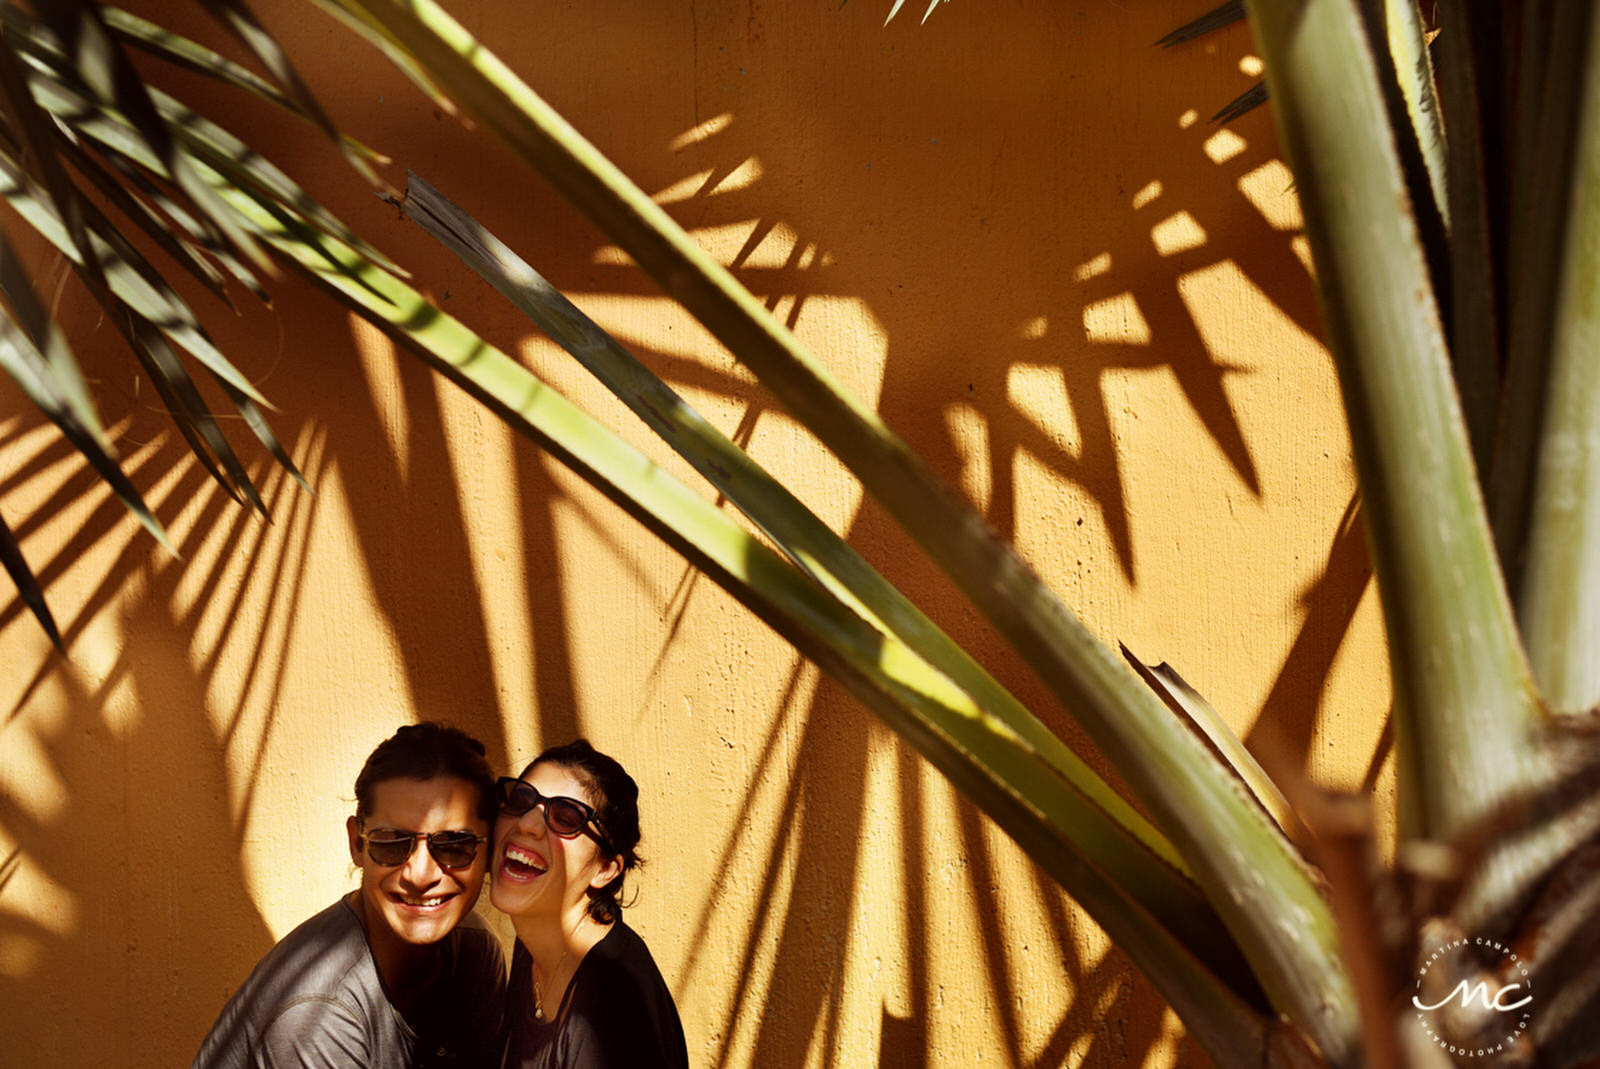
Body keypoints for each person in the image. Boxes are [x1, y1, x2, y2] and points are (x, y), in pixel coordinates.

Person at [191, 722, 507, 1069]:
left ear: (490, 849)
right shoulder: (319, 1013)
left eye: (453, 846)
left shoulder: (474, 953)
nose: (420, 875)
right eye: (392, 842)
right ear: (357, 843)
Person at [493, 739, 688, 1069]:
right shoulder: (536, 942)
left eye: (567, 818)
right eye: (521, 799)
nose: (526, 824)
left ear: (605, 869)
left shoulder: (611, 1011)